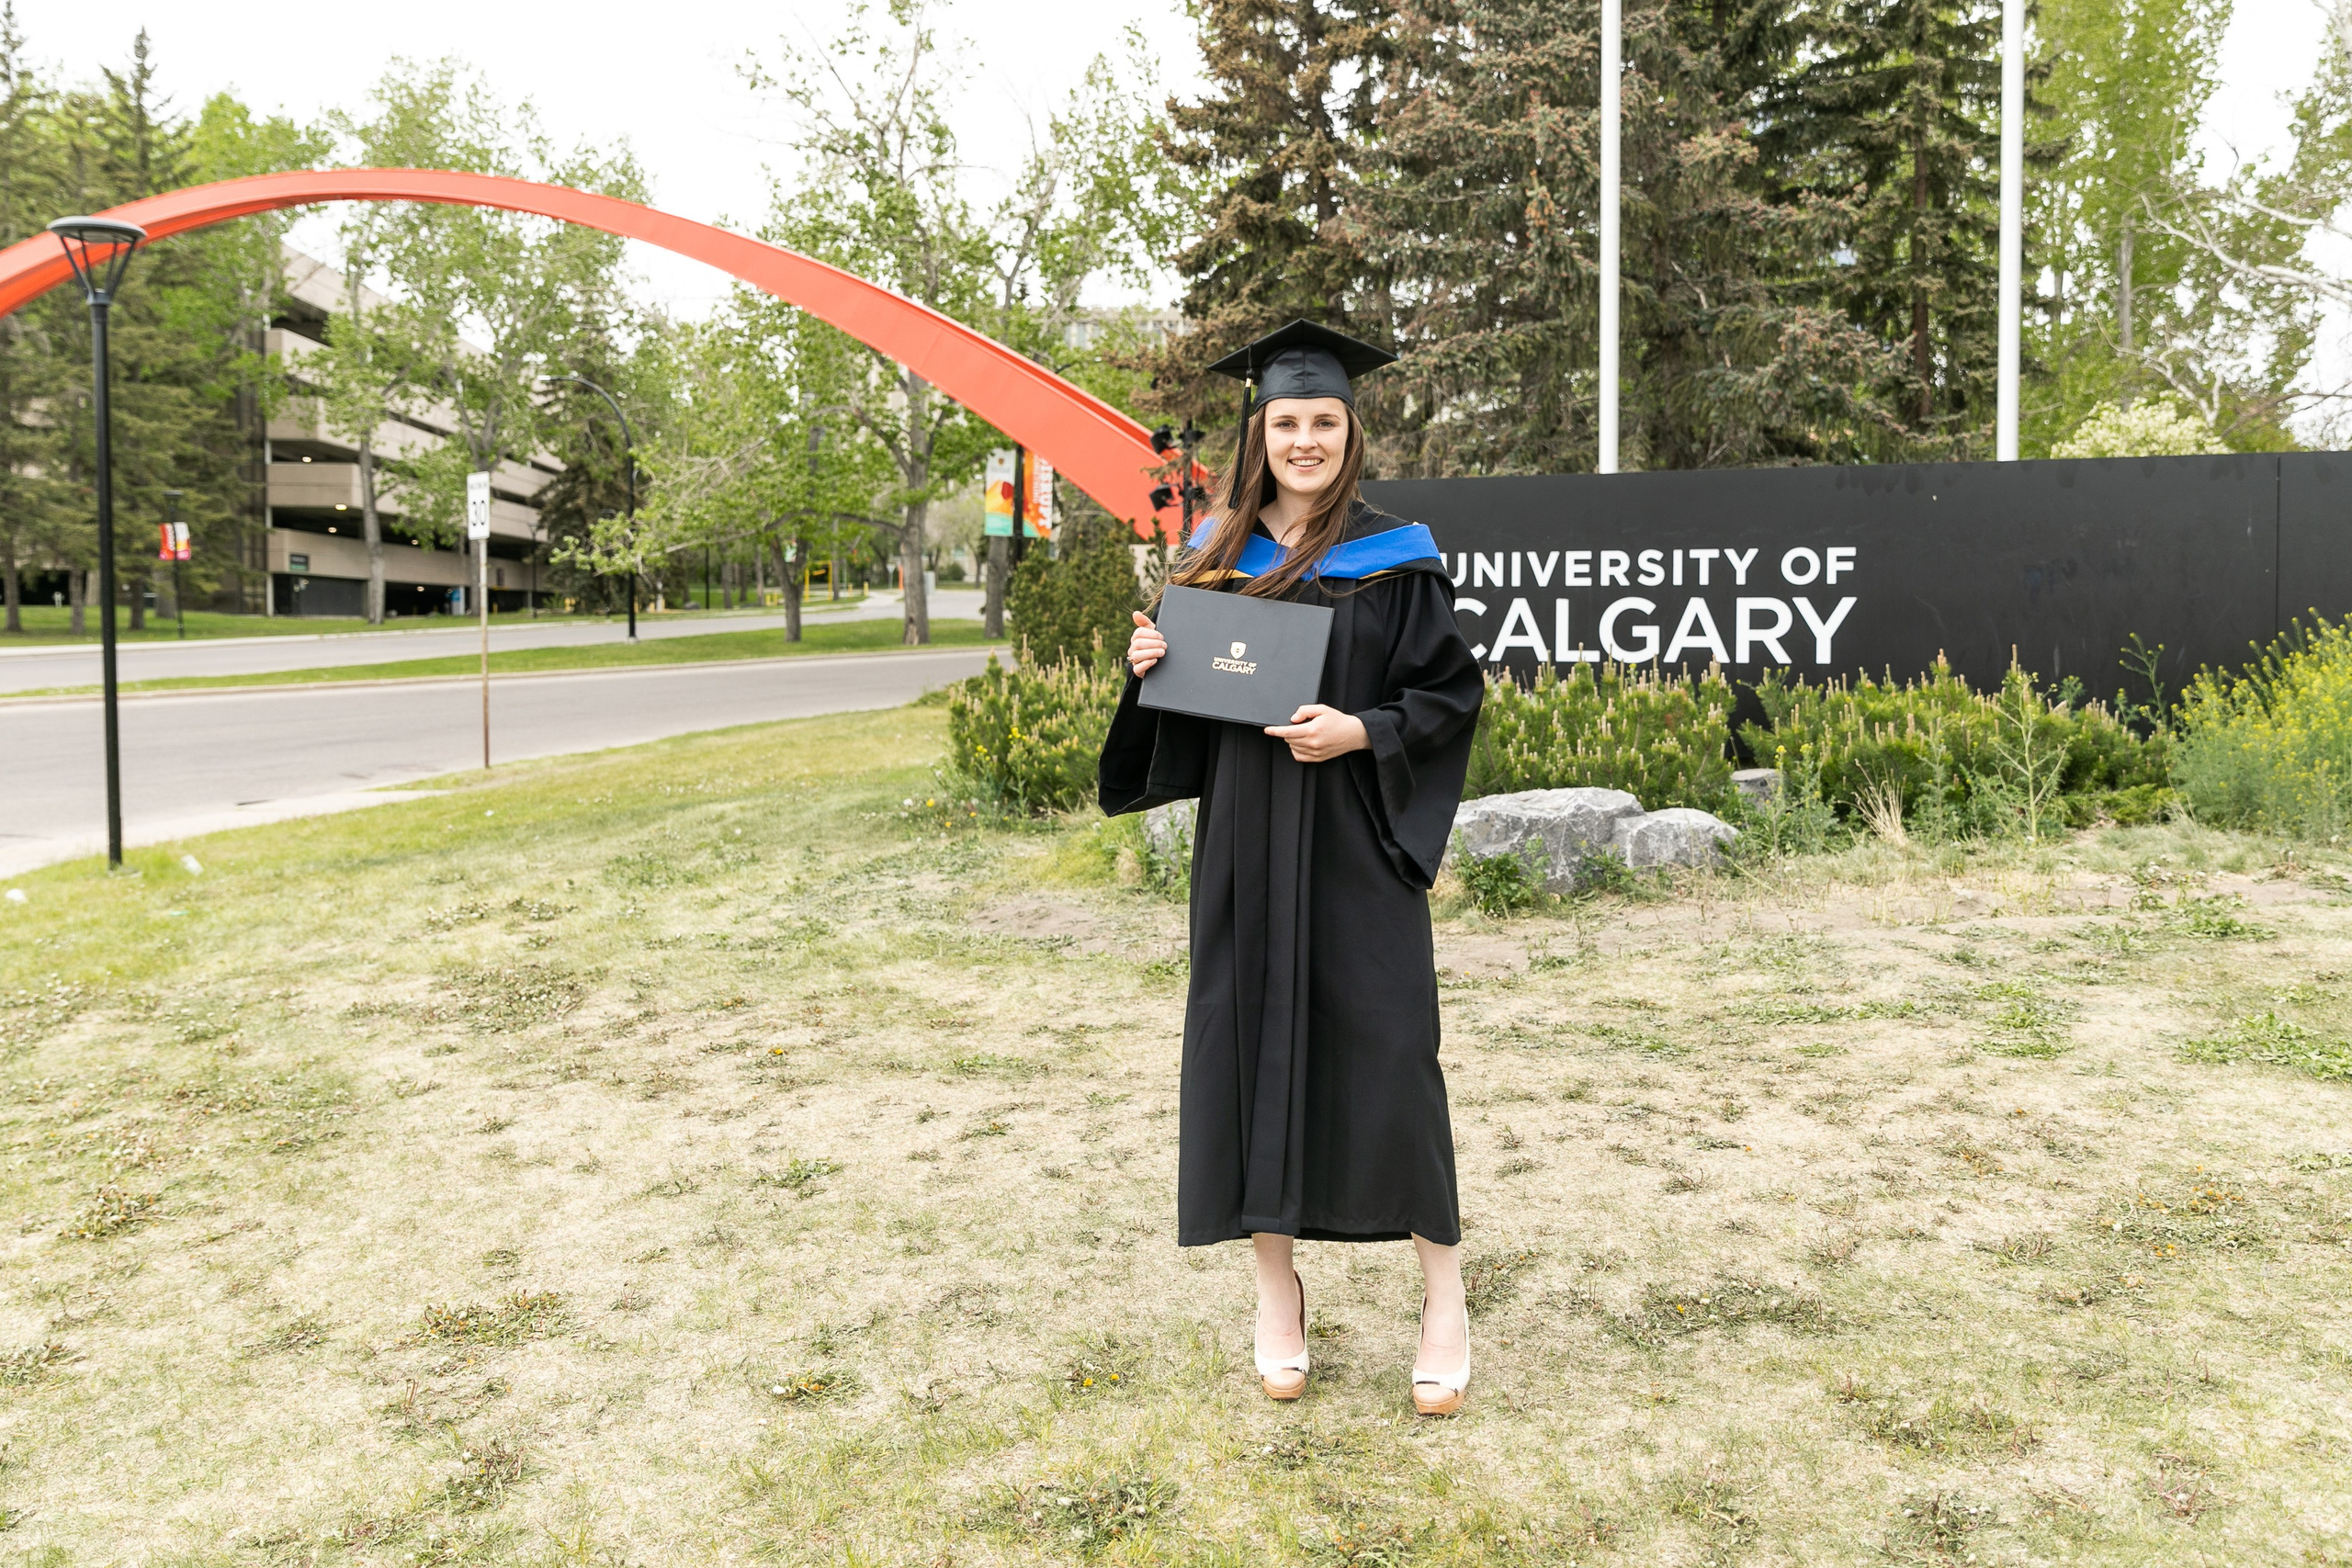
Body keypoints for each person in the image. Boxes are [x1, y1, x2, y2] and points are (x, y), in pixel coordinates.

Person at [1098, 321, 1486, 1416]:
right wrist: (1149, 666)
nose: (1304, 440)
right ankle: (1276, 1293)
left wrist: (1360, 734)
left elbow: (1448, 695)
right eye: (1286, 424)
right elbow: (1185, 715)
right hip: (1246, 851)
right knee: (1246, 1050)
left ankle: (1442, 1296)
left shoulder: (1395, 556)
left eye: (1323, 422)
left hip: (1356, 843)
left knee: (1395, 1052)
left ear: (1350, 432)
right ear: (1256, 433)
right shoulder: (1216, 556)